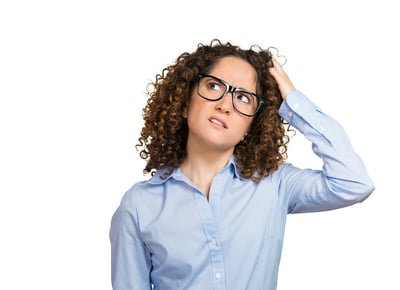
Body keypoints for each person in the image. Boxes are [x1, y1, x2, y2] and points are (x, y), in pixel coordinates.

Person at [109, 39, 375, 290]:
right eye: (214, 86)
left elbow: (354, 183)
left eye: (244, 98)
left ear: (250, 127)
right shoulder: (138, 206)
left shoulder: (275, 184)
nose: (225, 105)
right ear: (184, 104)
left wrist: (293, 103)